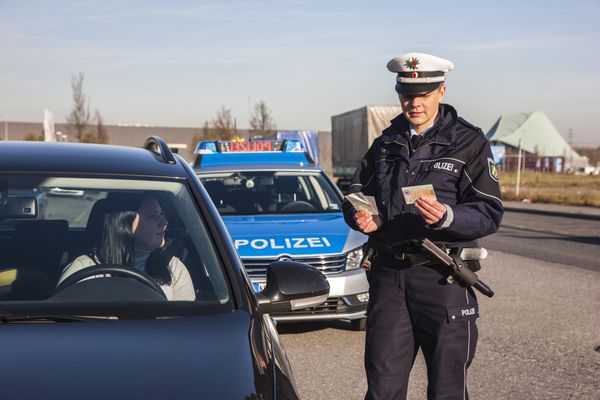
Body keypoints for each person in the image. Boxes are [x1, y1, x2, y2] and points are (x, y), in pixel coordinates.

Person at [343, 53, 503, 400]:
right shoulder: (385, 143)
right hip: (389, 278)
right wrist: (363, 215)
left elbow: (489, 211)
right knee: (382, 389)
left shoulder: (469, 142)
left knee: (447, 390)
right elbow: (355, 191)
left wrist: (448, 217)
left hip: (442, 278)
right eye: (406, 95)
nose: (414, 103)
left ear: (441, 92)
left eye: (424, 95)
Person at [59, 193, 195, 301]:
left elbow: (185, 323)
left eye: (161, 214)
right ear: (123, 224)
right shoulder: (84, 269)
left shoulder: (173, 268)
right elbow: (66, 321)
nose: (164, 222)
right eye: (152, 216)